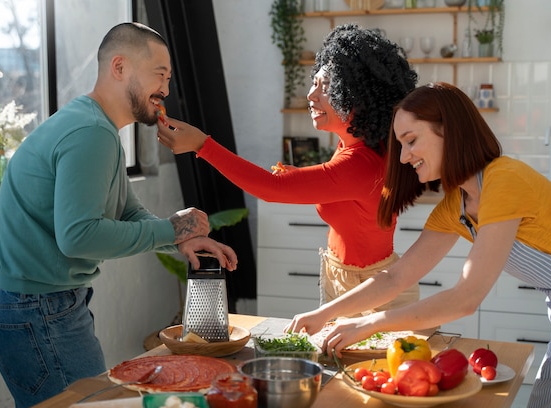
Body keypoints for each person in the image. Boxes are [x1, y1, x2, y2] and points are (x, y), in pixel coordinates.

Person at [0, 22, 238, 408]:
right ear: (119, 67)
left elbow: (127, 210)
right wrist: (172, 227)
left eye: (168, 78)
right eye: (160, 74)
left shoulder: (96, 126)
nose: (166, 90)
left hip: (34, 306)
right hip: (40, 311)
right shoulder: (91, 133)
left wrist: (180, 237)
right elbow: (79, 236)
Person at [285, 82, 551, 408]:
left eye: (411, 141)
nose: (403, 156)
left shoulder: (504, 181)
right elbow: (394, 278)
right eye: (399, 145)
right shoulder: (458, 203)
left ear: (450, 132)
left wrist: (371, 324)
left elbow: (466, 298)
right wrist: (325, 314)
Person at [156, 24, 419, 314]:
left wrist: (202, 145)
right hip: (343, 279)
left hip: (374, 293)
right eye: (314, 82)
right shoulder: (354, 146)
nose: (311, 95)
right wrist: (302, 177)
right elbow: (341, 187)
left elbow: (273, 189)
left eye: (325, 87)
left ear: (357, 95)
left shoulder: (361, 163)